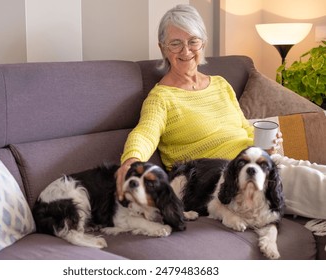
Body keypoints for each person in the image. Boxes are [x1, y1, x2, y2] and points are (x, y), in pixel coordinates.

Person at [116, 4, 326, 226]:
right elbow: (145, 133)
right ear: (163, 48)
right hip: (229, 179)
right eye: (175, 43)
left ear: (203, 43)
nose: (185, 51)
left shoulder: (220, 84)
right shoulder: (161, 97)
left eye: (193, 41)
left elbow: (244, 128)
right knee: (315, 185)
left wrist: (268, 146)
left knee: (317, 171)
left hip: (260, 164)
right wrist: (131, 162)